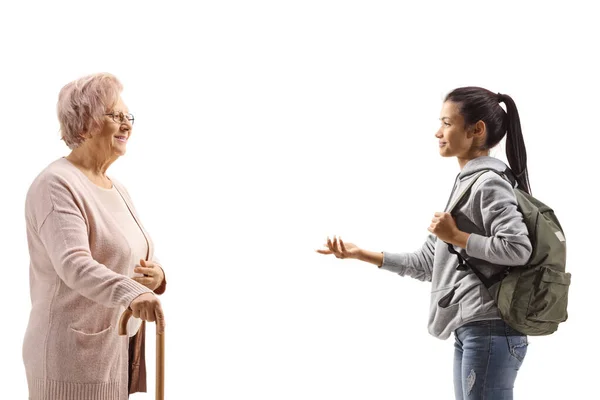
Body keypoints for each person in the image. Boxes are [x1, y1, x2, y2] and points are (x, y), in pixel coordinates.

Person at [318, 87, 532, 399]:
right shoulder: (466, 185)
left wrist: (456, 236)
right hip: (473, 328)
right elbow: (428, 264)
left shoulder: (488, 184)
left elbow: (518, 249)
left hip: (490, 329)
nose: (438, 132)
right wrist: (359, 254)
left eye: (447, 123)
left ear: (477, 130)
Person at [23, 72, 167, 400]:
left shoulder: (117, 188)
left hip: (113, 351)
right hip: (70, 357)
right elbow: (74, 264)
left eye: (128, 116)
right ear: (85, 125)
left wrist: (156, 274)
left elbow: (130, 250)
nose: (127, 124)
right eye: (115, 116)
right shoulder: (56, 184)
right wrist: (132, 294)